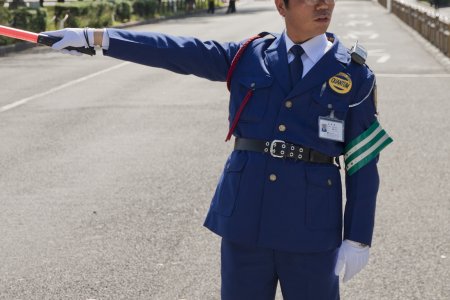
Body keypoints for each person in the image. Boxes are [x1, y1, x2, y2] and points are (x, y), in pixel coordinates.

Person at [42, 0, 392, 298]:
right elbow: (174, 50)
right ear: (281, 5)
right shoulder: (248, 56)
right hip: (246, 221)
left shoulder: (353, 74)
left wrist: (358, 236)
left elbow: (363, 160)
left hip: (311, 227)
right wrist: (99, 39)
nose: (323, 4)